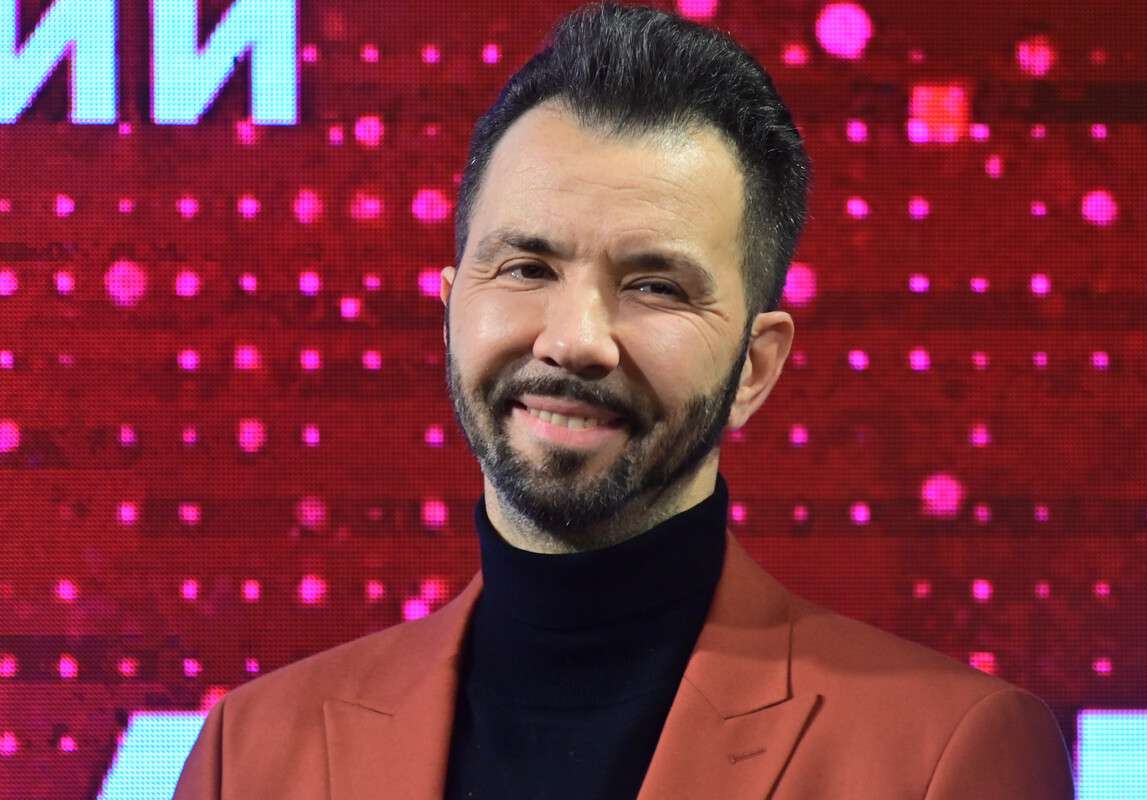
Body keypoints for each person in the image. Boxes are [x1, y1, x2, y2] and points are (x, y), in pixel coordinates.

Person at [173, 3, 1075, 798]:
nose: (575, 340)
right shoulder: (247, 754)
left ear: (756, 367)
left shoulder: (944, 753)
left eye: (655, 286)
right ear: (451, 311)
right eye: (527, 268)